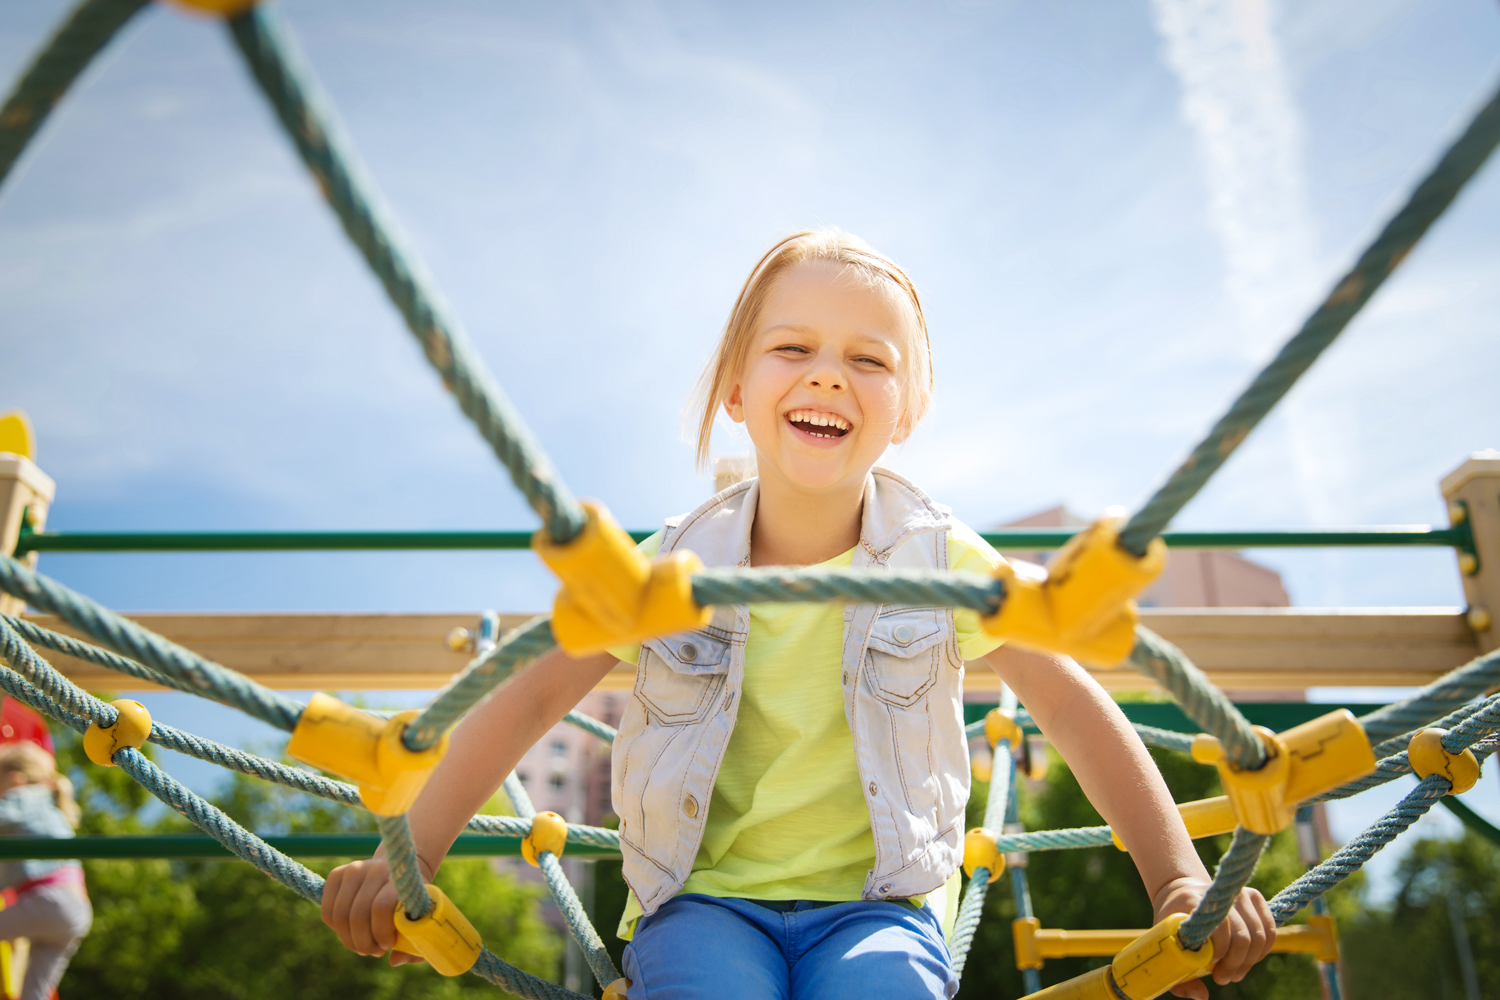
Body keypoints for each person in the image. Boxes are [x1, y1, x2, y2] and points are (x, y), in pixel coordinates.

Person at [321, 229, 1275, 999]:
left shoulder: (942, 560)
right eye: (793, 349)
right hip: (703, 904)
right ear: (737, 388)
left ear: (907, 410)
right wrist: (412, 857)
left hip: (880, 909)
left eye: (869, 359)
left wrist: (1178, 877)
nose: (827, 375)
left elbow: (1072, 709)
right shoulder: (669, 568)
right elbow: (528, 700)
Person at [0, 741, 90, 1000]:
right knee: (35, 993)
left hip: (49, 900)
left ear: (15, 779)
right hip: (75, 913)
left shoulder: (27, 796)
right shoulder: (49, 807)